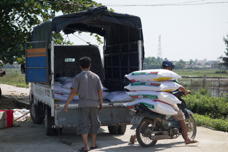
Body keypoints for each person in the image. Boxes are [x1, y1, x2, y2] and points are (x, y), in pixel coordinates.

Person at [64, 56, 103, 152]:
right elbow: (100, 91)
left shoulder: (78, 77)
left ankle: (86, 147)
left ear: (80, 66)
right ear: (90, 65)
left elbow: (73, 92)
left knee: (84, 125)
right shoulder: (96, 76)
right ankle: (93, 144)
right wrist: (101, 103)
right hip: (94, 104)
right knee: (94, 124)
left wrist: (67, 104)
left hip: (83, 104)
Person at [162, 60, 197, 144]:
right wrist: (185, 91)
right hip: (167, 99)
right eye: (171, 68)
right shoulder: (170, 77)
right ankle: (187, 139)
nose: (171, 70)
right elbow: (179, 87)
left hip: (157, 99)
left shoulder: (157, 76)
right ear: (169, 68)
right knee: (181, 117)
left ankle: (134, 137)